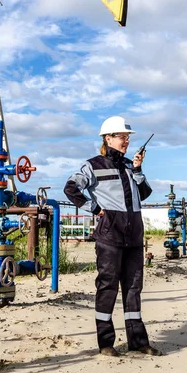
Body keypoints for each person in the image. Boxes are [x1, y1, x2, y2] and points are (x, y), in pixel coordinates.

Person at [64, 115, 161, 357]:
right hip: (110, 235)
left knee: (133, 289)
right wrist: (95, 209)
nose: (126, 140)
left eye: (128, 137)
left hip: (134, 234)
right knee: (107, 287)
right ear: (108, 138)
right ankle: (106, 343)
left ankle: (138, 342)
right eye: (122, 136)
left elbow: (145, 193)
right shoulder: (93, 165)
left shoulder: (130, 166)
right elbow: (71, 189)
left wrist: (138, 169)